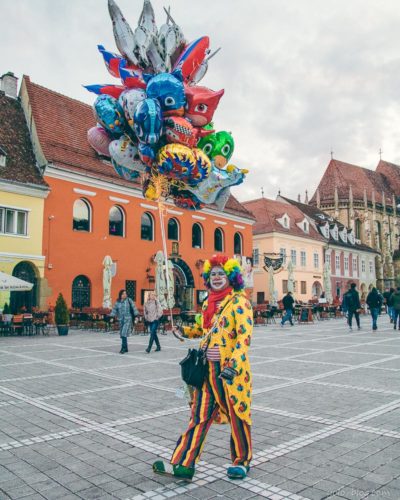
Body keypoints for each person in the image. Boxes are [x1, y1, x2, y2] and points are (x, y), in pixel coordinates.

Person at [153, 255, 253, 481]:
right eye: (213, 274)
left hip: (229, 374)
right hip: (206, 371)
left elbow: (244, 339)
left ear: (232, 277)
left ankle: (242, 461)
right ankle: (183, 462)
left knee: (238, 416)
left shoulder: (240, 302)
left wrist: (229, 360)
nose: (217, 277)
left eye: (222, 273)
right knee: (198, 416)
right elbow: (201, 329)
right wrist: (183, 331)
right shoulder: (209, 302)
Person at [110, 289, 139, 353]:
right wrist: (111, 317)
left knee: (123, 333)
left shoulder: (129, 300)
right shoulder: (118, 302)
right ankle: (126, 348)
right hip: (120, 320)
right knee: (123, 334)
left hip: (128, 319)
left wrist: (136, 316)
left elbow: (134, 308)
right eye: (123, 294)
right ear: (120, 295)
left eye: (125, 293)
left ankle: (123, 348)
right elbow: (114, 310)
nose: (124, 295)